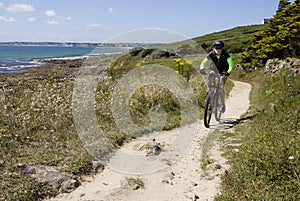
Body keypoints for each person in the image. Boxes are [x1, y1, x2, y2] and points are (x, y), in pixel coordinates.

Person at [199, 40, 234, 113]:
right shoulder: (211, 54)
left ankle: (222, 104)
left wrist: (227, 73)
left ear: (222, 48)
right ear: (214, 48)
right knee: (210, 75)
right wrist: (202, 68)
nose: (218, 49)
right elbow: (203, 63)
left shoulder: (226, 54)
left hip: (224, 71)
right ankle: (208, 93)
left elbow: (231, 65)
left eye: (220, 48)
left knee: (221, 86)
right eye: (216, 48)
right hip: (214, 70)